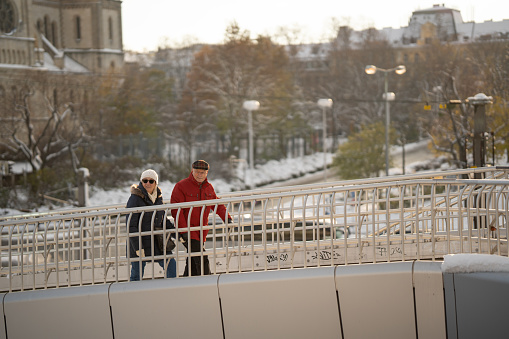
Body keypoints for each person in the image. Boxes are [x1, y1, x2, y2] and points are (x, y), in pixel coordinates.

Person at [170, 160, 232, 276]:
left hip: (201, 232)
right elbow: (176, 210)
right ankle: (209, 282)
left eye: (202, 172)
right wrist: (184, 231)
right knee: (202, 258)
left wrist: (227, 219)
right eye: (197, 172)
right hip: (188, 231)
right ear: (192, 171)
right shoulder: (181, 186)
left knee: (193, 261)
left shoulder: (208, 187)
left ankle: (186, 284)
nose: (199, 175)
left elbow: (216, 204)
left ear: (206, 173)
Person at [126, 169, 176, 281]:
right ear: (141, 182)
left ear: (155, 183)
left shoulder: (158, 198)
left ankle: (171, 289)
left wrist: (177, 234)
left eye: (151, 181)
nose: (148, 183)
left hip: (157, 242)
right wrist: (138, 247)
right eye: (145, 180)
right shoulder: (135, 198)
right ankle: (132, 294)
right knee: (136, 274)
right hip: (140, 243)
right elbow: (131, 225)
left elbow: (163, 220)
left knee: (171, 264)